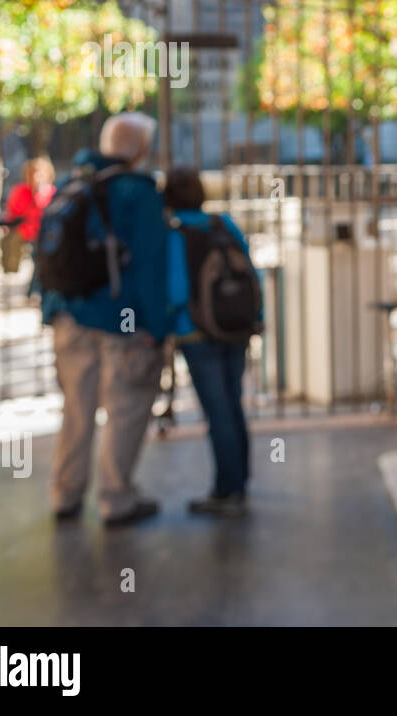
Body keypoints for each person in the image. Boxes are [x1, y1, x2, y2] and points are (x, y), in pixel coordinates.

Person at [41, 113, 168, 527]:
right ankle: (116, 499)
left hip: (70, 316)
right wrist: (156, 327)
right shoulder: (138, 193)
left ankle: (66, 493)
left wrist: (52, 310)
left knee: (76, 409)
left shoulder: (69, 186)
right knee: (126, 406)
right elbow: (150, 267)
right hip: (123, 321)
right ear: (141, 150)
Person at [164, 167, 255, 516]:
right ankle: (239, 482)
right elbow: (250, 268)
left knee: (218, 412)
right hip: (235, 327)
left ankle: (226, 491)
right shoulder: (223, 224)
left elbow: (174, 290)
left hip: (197, 332)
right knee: (233, 404)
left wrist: (165, 326)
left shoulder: (175, 234)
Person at [4, 157, 55, 293]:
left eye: (40, 174)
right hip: (28, 233)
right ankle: (35, 291)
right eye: (33, 174)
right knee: (38, 260)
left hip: (45, 234)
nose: (37, 178)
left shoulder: (51, 192)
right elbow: (13, 212)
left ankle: (34, 290)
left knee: (40, 262)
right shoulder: (20, 191)